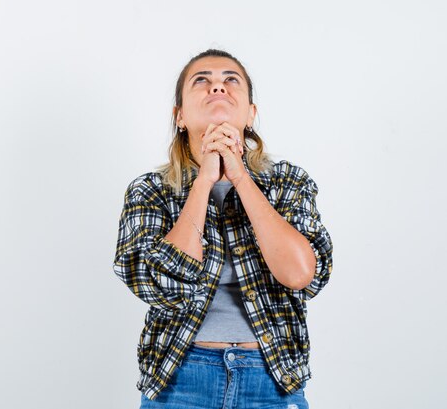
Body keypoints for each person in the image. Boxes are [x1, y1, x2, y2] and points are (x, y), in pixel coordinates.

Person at [113, 48, 334, 409]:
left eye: (231, 80)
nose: (218, 87)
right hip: (179, 379)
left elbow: (299, 275)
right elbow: (163, 283)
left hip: (272, 378)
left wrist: (240, 177)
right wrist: (204, 182)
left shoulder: (288, 182)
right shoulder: (150, 190)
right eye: (202, 81)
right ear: (179, 116)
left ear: (250, 114)